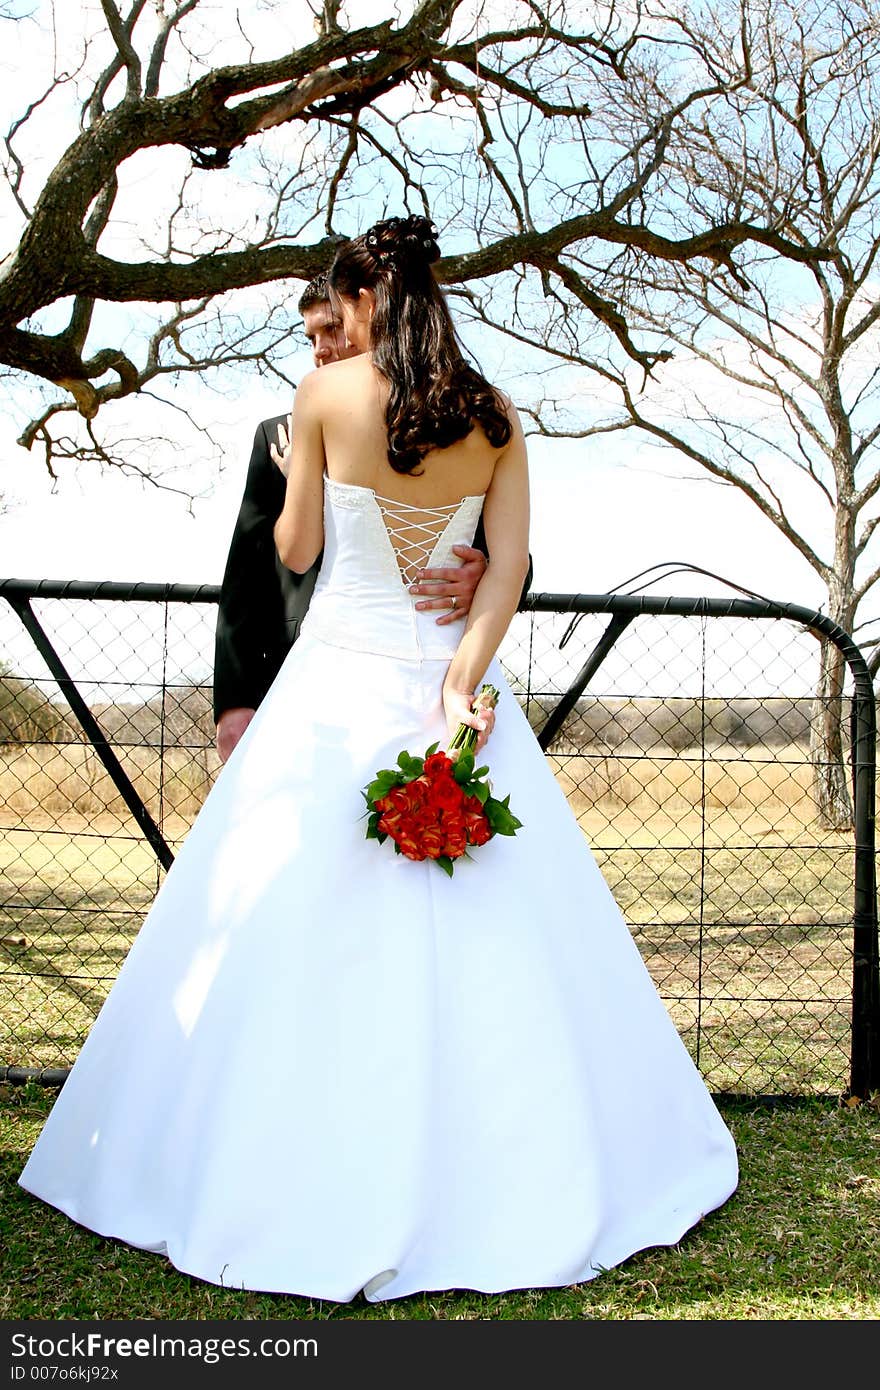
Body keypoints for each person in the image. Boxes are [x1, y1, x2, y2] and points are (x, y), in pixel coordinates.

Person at [19, 214, 738, 1304]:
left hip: (337, 679)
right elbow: (502, 574)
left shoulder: (319, 400)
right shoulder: (495, 417)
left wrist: (301, 470)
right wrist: (459, 684)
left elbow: (297, 549)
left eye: (338, 311)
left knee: (278, 914)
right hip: (446, 680)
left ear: (364, 301)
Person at [213, 273, 524, 764]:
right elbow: (245, 572)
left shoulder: (454, 423)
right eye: (311, 337)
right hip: (303, 675)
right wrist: (234, 700)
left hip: (435, 662)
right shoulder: (277, 435)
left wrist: (482, 572)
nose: (322, 348)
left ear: (368, 314)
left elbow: (510, 558)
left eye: (333, 328)